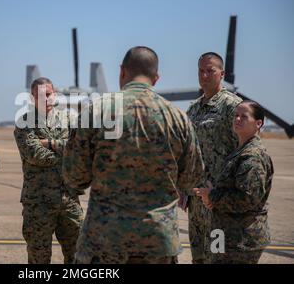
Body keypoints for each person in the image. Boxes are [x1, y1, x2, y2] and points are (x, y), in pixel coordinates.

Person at [63, 46, 204, 264]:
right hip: (158, 242)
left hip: (105, 240)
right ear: (156, 78)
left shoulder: (96, 111)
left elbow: (74, 176)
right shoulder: (177, 118)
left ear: (122, 71)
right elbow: (191, 179)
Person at [14, 77, 83, 264]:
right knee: (39, 258)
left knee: (79, 255)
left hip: (69, 200)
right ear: (32, 98)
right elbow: (36, 155)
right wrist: (66, 153)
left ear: (55, 94)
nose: (46, 99)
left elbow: (80, 149)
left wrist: (51, 143)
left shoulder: (69, 118)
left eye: (49, 94)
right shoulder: (24, 123)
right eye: (41, 95)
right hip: (38, 202)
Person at [194, 101, 273, 264]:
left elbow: (247, 199)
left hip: (240, 240)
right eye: (236, 115)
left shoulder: (252, 157)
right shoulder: (239, 151)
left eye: (244, 116)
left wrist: (212, 196)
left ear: (258, 123)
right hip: (223, 233)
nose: (237, 119)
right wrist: (211, 197)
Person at [184, 52, 242, 263]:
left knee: (219, 257)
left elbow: (245, 150)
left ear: (222, 74)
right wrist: (184, 190)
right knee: (198, 257)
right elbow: (187, 152)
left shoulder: (233, 107)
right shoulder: (194, 109)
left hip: (219, 203)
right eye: (201, 71)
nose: (205, 75)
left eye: (210, 70)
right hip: (196, 201)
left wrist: (229, 193)